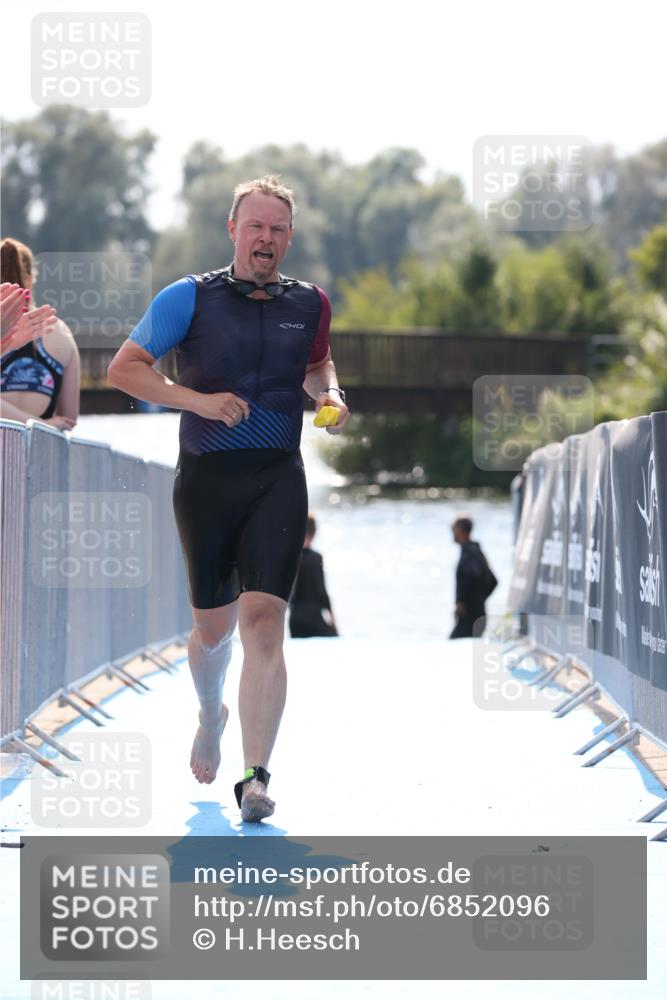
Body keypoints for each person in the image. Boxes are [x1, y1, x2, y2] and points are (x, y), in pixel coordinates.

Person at [107, 175, 349, 822]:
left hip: (278, 475)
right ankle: (209, 712)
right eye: (255, 226)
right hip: (207, 480)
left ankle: (255, 778)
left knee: (265, 623)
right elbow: (123, 369)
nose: (265, 238)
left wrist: (331, 393)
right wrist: (198, 401)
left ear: (289, 237)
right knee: (212, 632)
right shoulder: (189, 297)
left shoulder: (311, 302)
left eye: (277, 229)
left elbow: (316, 362)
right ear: (233, 229)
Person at [0, 238, 79, 432]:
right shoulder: (60, 332)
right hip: (38, 458)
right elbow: (68, 419)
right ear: (32, 277)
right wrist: (39, 425)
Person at [289, 513, 339, 638]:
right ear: (314, 532)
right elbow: (321, 591)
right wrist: (333, 622)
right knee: (334, 638)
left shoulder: (291, 557)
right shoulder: (316, 558)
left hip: (295, 618)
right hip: (314, 617)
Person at [449, 515, 497, 639]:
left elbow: (476, 578)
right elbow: (492, 581)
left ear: (461, 531)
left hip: (471, 616)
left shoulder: (470, 552)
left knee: (452, 646)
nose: (452, 533)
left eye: (454, 530)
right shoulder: (473, 550)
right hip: (476, 614)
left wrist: (464, 602)